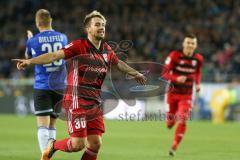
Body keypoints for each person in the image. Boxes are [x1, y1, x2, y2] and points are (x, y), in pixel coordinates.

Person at [13, 10, 146, 160]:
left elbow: (119, 63)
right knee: (78, 144)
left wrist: (136, 73)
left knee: (95, 143)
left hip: (94, 102)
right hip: (77, 100)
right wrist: (30, 61)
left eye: (103, 25)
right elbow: (54, 55)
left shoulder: (106, 50)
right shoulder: (79, 46)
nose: (101, 27)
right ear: (88, 29)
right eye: (97, 25)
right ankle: (53, 145)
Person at [24, 9, 68, 153]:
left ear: (37, 23)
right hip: (60, 86)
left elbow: (28, 58)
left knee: (42, 125)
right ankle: (48, 156)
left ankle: (45, 157)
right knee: (52, 125)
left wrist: (29, 40)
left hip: (42, 86)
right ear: (51, 21)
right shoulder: (63, 38)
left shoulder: (33, 40)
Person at [162, 34, 203, 156]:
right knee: (170, 124)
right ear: (184, 44)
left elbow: (198, 72)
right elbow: (165, 73)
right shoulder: (174, 55)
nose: (190, 45)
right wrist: (176, 78)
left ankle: (174, 146)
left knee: (183, 119)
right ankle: (171, 121)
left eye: (193, 43)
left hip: (187, 95)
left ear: (195, 45)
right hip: (172, 93)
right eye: (188, 43)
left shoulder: (198, 59)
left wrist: (198, 84)